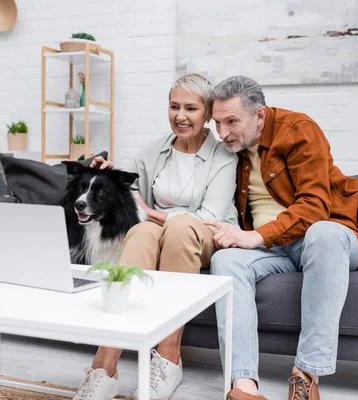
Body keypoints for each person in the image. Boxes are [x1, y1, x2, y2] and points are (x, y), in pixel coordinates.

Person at [72, 73, 239, 400]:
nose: (180, 115)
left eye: (191, 108)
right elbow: (126, 180)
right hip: (157, 232)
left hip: (201, 235)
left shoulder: (223, 157)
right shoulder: (157, 149)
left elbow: (209, 218)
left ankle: (168, 357)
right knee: (142, 232)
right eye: (174, 106)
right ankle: (104, 367)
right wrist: (105, 169)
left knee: (175, 226)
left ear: (206, 113)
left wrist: (153, 213)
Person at [203, 76, 358, 400]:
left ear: (259, 115)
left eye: (231, 122)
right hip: (274, 251)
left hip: (324, 240)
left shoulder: (298, 129)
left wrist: (256, 236)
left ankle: (305, 376)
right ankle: (243, 386)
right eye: (217, 123)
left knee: (323, 233)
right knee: (225, 260)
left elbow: (316, 205)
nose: (222, 134)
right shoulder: (230, 152)